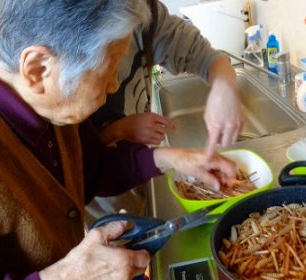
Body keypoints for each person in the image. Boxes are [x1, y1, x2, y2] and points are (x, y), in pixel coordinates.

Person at [0, 0, 236, 279]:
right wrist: (68, 275)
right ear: (38, 67)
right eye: (109, 66)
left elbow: (88, 169)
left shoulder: (44, 97)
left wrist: (171, 159)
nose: (113, 85)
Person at [86, 0, 243, 218]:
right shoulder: (73, 37)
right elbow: (82, 167)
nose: (112, 84)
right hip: (104, 196)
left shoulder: (146, 14)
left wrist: (225, 87)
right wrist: (117, 130)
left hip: (141, 163)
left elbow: (208, 57)